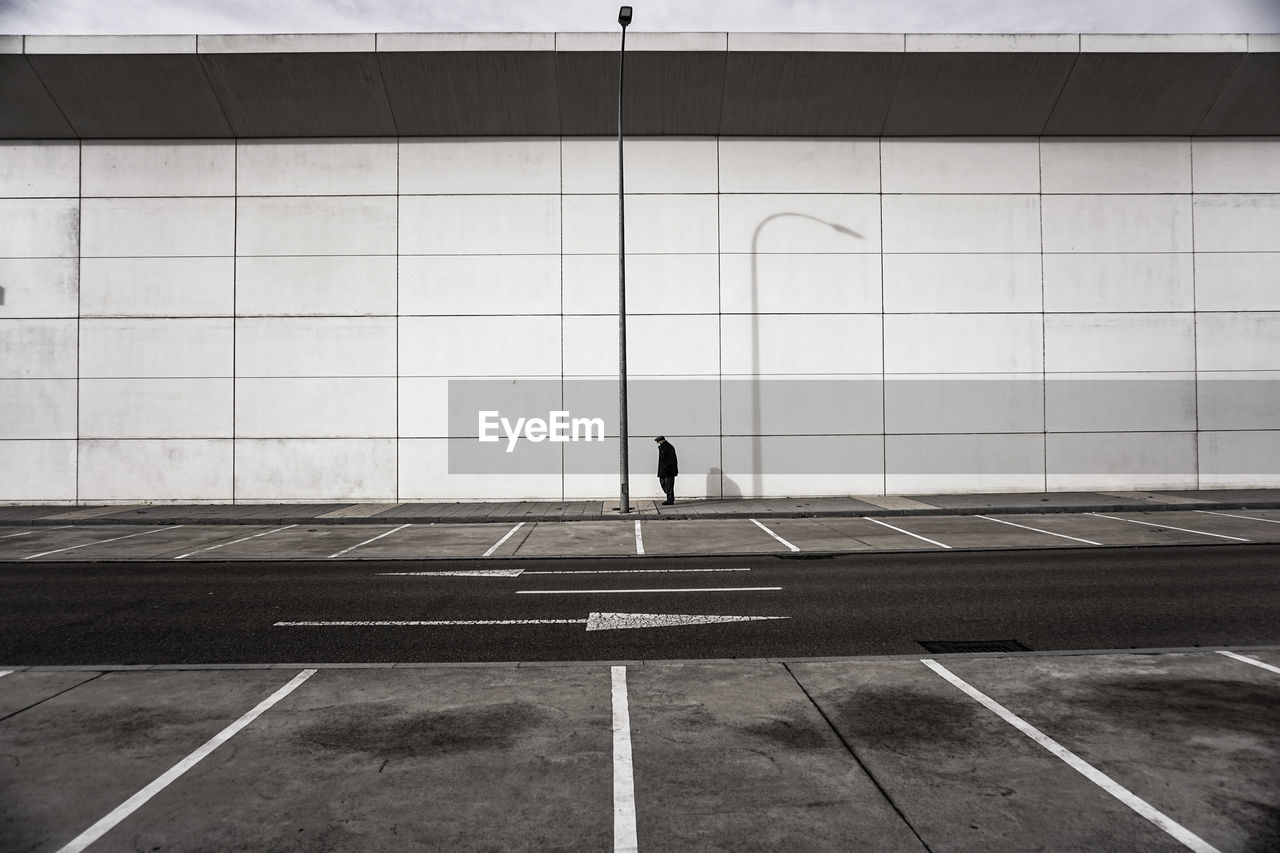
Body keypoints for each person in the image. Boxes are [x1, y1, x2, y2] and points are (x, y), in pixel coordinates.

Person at [654, 435, 678, 505]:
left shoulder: (668, 447)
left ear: (662, 440)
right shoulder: (662, 447)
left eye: (658, 441)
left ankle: (670, 499)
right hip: (663, 470)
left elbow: (673, 460)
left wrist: (674, 470)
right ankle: (670, 497)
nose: (658, 443)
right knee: (662, 483)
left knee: (669, 485)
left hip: (668, 470)